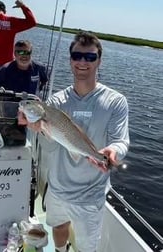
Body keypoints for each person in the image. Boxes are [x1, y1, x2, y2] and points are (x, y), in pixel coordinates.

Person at [18, 31, 130, 252]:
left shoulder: (116, 101)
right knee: (58, 226)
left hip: (90, 193)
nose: (82, 62)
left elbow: (121, 141)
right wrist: (38, 129)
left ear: (99, 60)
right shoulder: (56, 101)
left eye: (90, 57)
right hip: (58, 187)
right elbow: (50, 146)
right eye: (77, 56)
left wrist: (112, 152)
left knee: (88, 246)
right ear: (70, 59)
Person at [0, 39, 48, 117]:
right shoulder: (5, 69)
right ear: (15, 54)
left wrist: (38, 93)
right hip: (10, 108)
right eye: (20, 52)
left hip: (31, 108)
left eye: (27, 52)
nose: (24, 56)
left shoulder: (39, 68)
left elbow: (44, 81)